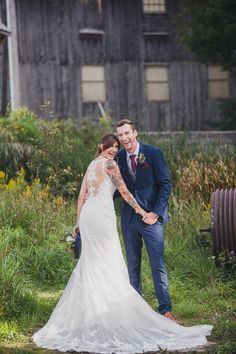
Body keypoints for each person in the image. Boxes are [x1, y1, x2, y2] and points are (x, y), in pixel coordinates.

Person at [32, 133, 212, 353]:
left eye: (116, 147)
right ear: (101, 146)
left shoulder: (90, 165)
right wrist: (141, 210)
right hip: (100, 218)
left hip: (89, 217)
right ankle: (110, 315)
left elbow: (82, 197)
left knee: (92, 263)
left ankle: (92, 316)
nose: (114, 150)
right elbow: (125, 192)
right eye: (111, 146)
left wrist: (78, 224)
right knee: (108, 261)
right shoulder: (110, 165)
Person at [115, 119, 175, 321]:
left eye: (126, 134)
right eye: (120, 135)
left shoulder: (152, 153)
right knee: (132, 265)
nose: (124, 138)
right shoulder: (119, 157)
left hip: (151, 218)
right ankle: (136, 309)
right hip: (129, 218)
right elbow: (119, 188)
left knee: (157, 264)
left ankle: (165, 309)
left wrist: (156, 213)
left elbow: (166, 184)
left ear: (135, 133)